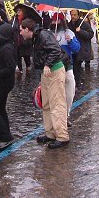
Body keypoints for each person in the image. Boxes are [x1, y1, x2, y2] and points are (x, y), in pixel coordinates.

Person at [20, 18, 69, 149]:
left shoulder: (42, 35)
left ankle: (62, 136)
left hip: (54, 71)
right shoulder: (37, 37)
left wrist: (48, 64)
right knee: (46, 103)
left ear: (26, 29)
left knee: (57, 103)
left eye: (21, 30)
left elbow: (55, 50)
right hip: (46, 72)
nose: (20, 33)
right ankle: (51, 133)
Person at [49, 12, 80, 117]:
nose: (54, 22)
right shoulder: (48, 34)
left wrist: (70, 41)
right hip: (53, 66)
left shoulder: (69, 33)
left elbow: (76, 49)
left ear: (61, 21)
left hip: (67, 65)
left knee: (69, 90)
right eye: (53, 20)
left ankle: (66, 114)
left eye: (56, 20)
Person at [11, 6, 33, 72]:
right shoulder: (14, 19)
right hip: (17, 41)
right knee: (18, 57)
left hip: (25, 41)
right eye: (17, 10)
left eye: (20, 10)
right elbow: (11, 26)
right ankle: (20, 70)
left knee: (27, 58)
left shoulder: (27, 20)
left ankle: (28, 70)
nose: (18, 12)